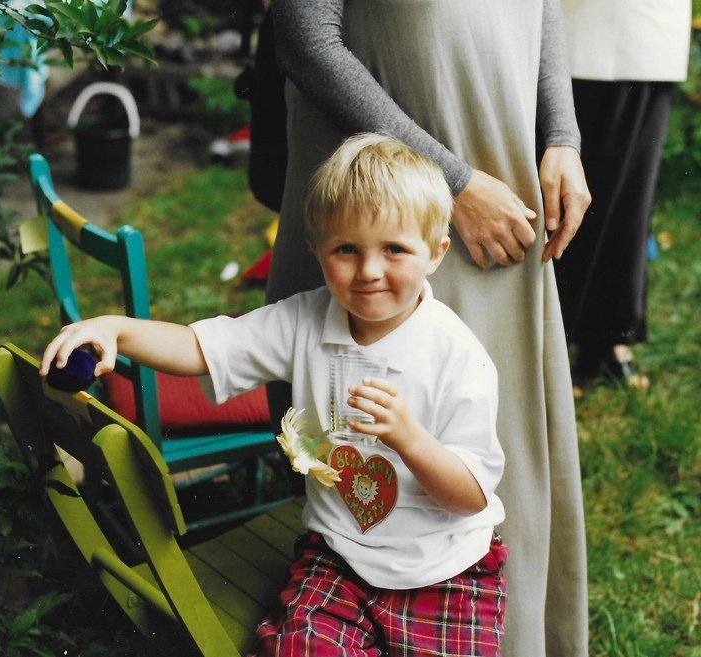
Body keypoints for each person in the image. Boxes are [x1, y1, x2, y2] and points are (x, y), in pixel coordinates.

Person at [41, 133, 509, 656]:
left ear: (436, 252)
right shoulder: (304, 321)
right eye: (346, 249)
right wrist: (116, 328)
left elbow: (470, 496)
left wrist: (411, 440)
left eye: (394, 249)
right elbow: (201, 348)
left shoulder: (456, 357)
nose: (369, 270)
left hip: (444, 568)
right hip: (340, 557)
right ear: (316, 249)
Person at [265, 2, 592, 655]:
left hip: (500, 168)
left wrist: (562, 135)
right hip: (404, 193)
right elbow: (305, 40)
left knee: (497, 443)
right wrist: (454, 183)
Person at [556, 0, 692, 391]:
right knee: (575, 202)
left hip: (648, 40)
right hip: (585, 37)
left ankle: (608, 340)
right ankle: (560, 345)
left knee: (631, 207)